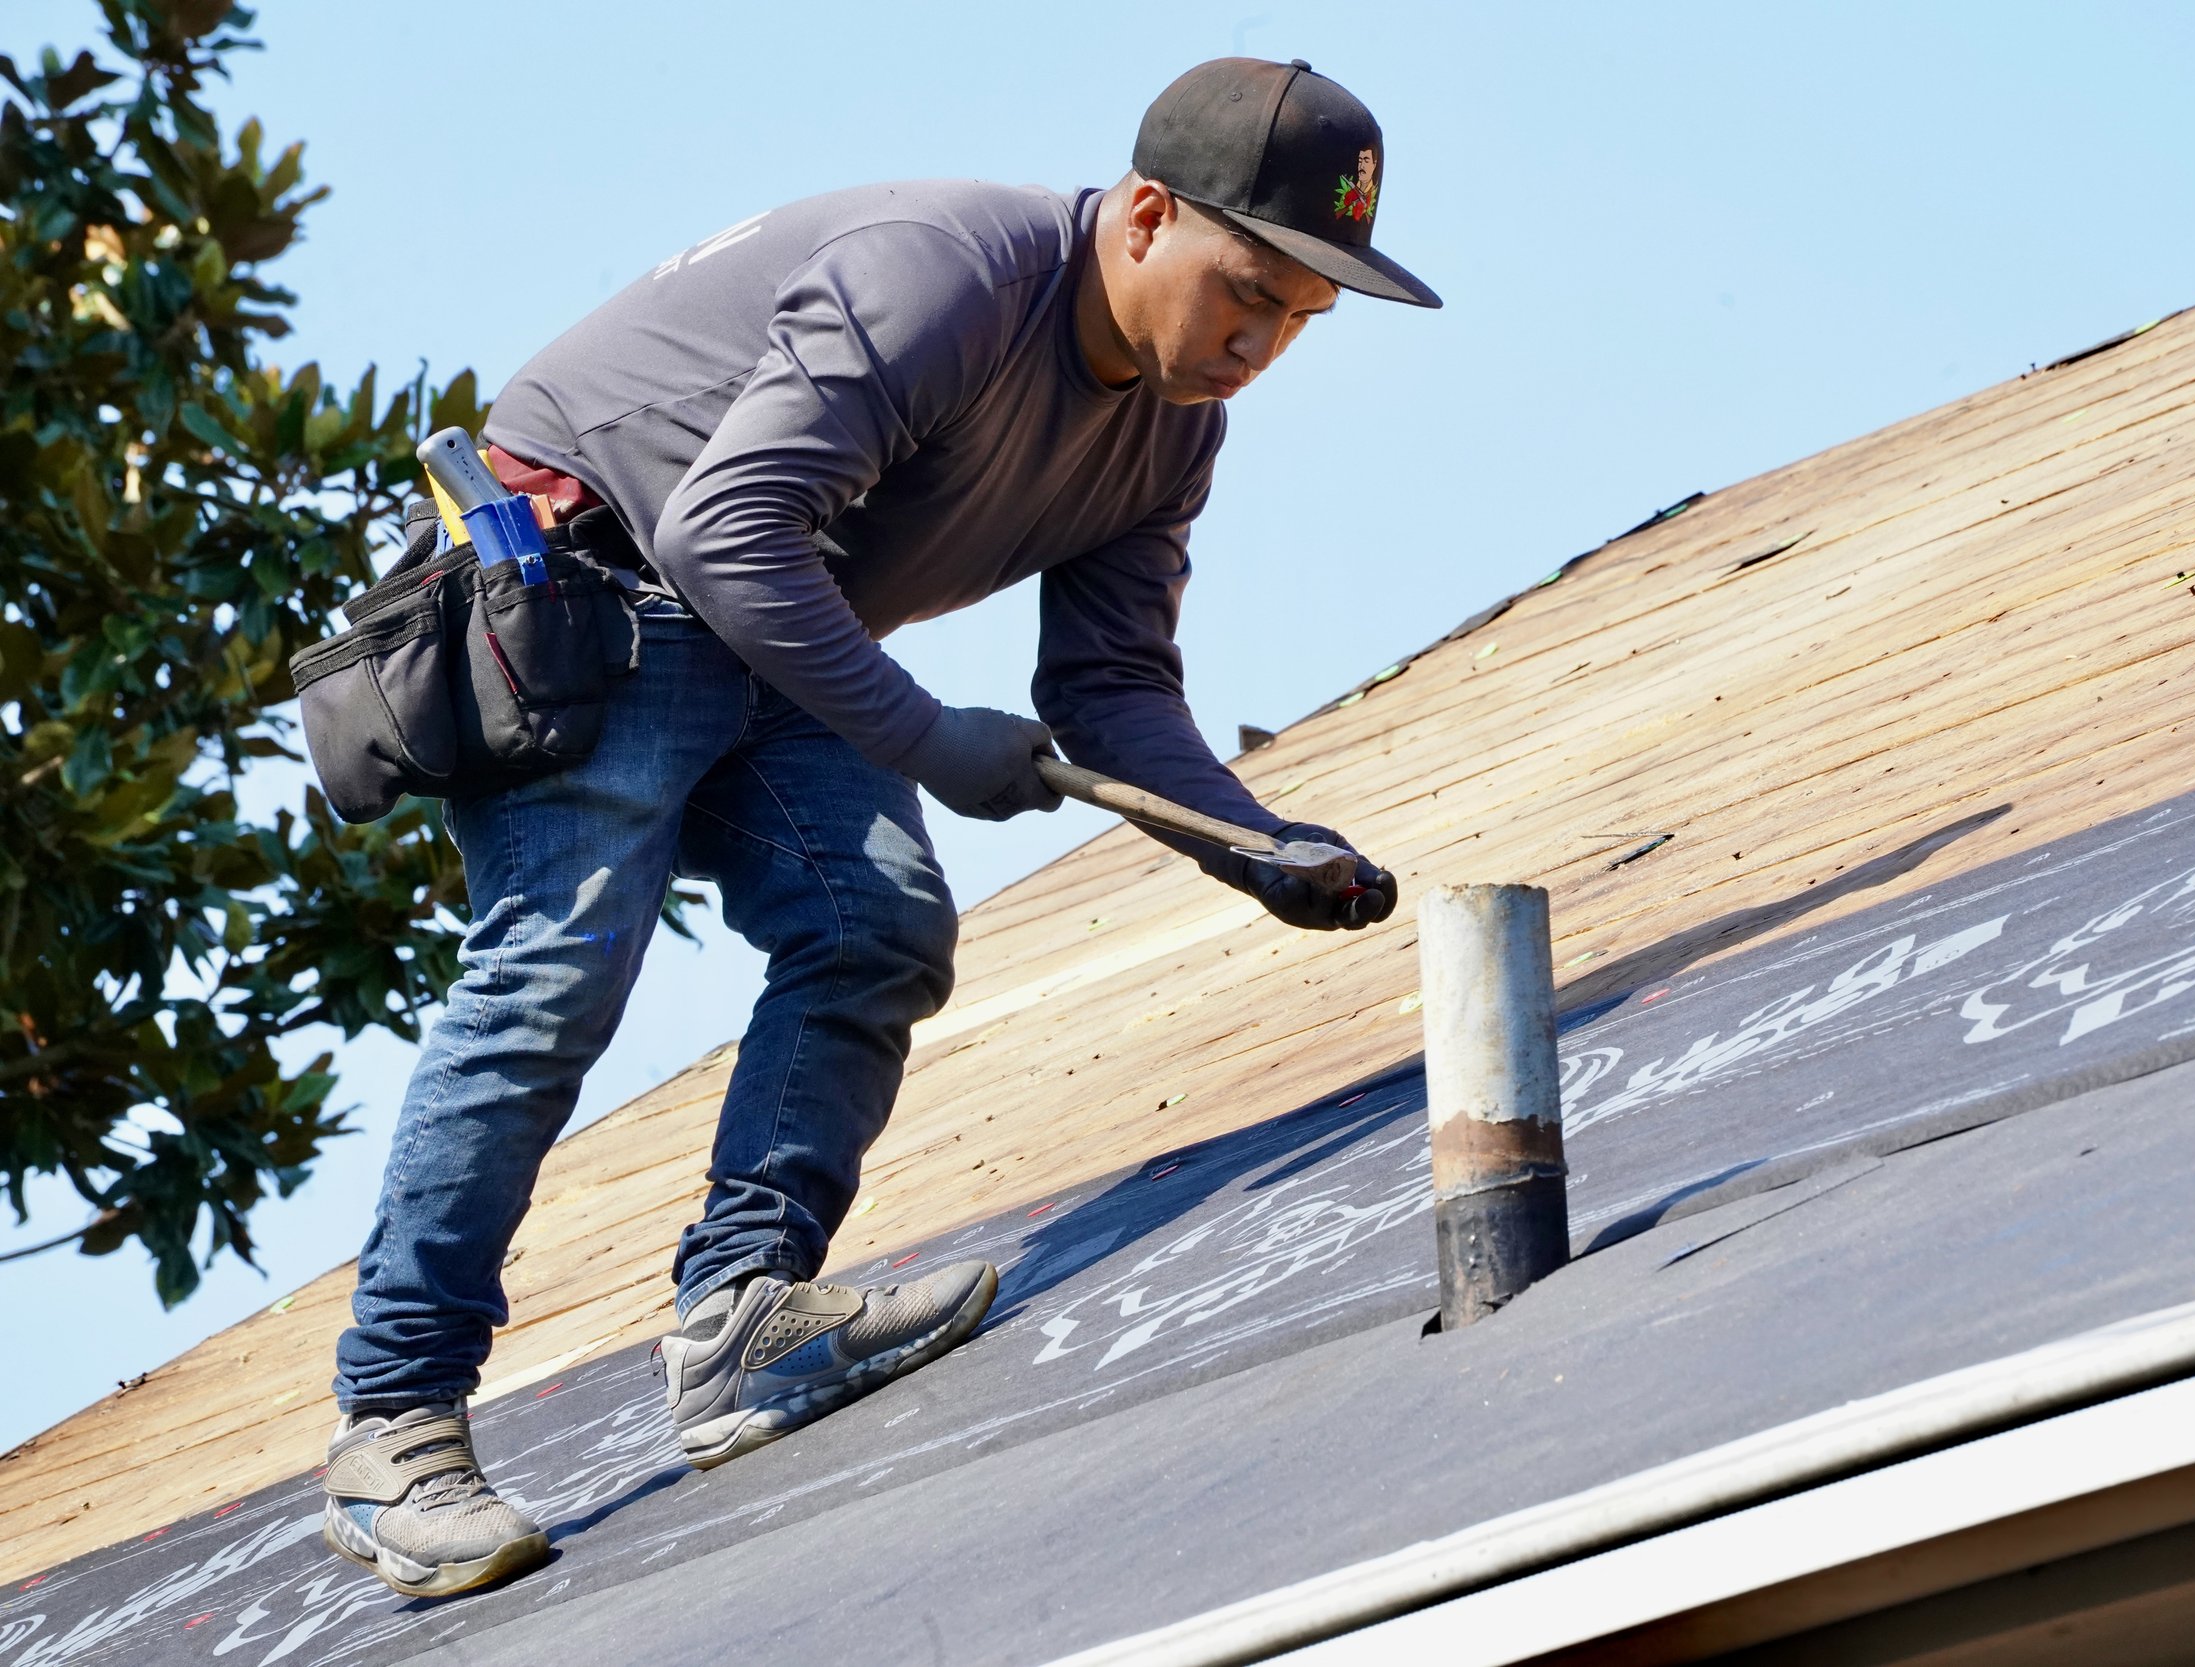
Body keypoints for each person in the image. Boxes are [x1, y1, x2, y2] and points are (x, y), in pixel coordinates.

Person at [315, 56, 1439, 1599]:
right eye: (1246, 288)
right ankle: (392, 1431)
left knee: (876, 927)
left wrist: (1243, 837)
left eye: (1299, 321)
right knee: (554, 973)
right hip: (601, 586)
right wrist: (925, 736)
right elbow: (720, 523)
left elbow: (1109, 685)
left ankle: (741, 1326)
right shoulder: (952, 279)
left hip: (776, 615)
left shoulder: (1172, 435)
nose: (1259, 344)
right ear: (1148, 215)